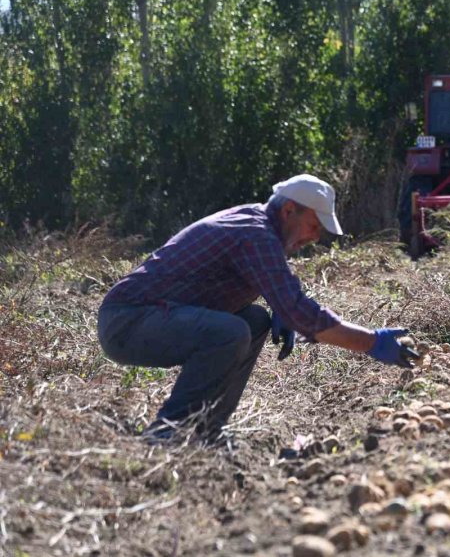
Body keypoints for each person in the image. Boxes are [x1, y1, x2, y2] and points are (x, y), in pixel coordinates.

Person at [97, 174, 416, 445]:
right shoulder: (256, 234)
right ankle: (169, 432)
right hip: (128, 321)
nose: (315, 238)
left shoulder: (258, 225)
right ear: (289, 210)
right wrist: (371, 342)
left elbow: (282, 292)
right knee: (231, 332)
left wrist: (281, 307)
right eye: (313, 226)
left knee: (254, 320)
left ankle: (207, 429)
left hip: (153, 317)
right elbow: (300, 312)